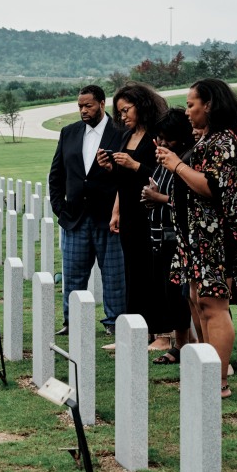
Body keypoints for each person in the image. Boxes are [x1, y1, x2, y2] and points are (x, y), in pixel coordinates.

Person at [156, 78, 237, 398]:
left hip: (215, 239)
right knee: (198, 300)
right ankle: (206, 368)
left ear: (210, 105)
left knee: (214, 305)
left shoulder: (225, 140)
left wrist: (176, 165)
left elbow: (213, 188)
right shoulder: (209, 139)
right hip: (196, 239)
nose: (187, 112)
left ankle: (218, 381)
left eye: (191, 104)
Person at [49, 85, 125, 336]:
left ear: (102, 104)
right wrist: (60, 209)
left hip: (109, 218)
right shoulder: (68, 132)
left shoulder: (121, 132)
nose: (83, 110)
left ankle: (114, 323)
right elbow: (57, 175)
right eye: (80, 106)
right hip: (75, 219)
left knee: (114, 275)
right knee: (72, 275)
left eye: (88, 105)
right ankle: (72, 322)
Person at [98, 82, 167, 348]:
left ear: (142, 105)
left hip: (149, 212)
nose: (123, 116)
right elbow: (123, 180)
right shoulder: (127, 135)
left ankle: (161, 332)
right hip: (128, 210)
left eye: (126, 110)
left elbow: (162, 173)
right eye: (120, 112)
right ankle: (136, 332)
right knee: (133, 273)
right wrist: (110, 168)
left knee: (152, 272)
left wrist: (135, 164)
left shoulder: (155, 134)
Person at [141, 109, 196, 364]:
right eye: (159, 138)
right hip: (161, 235)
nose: (161, 143)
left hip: (179, 236)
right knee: (171, 297)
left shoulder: (187, 160)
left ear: (181, 137)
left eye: (167, 138)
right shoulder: (165, 158)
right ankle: (181, 345)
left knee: (183, 295)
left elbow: (193, 201)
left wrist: (159, 198)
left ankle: (194, 346)